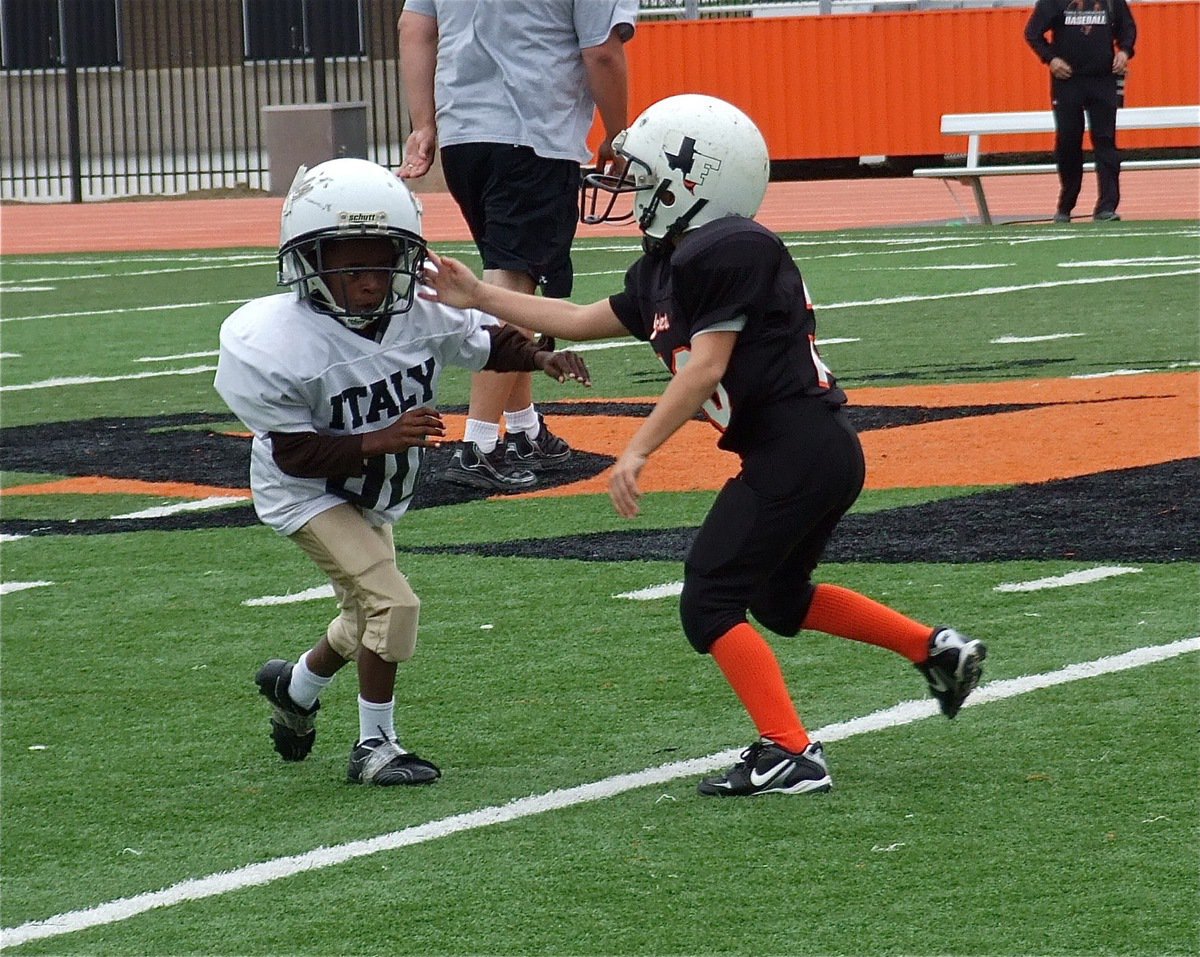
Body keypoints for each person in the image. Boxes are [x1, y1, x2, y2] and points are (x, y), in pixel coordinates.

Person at [420, 95, 989, 797]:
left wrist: (637, 449)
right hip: (807, 451)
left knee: (709, 600)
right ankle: (935, 650)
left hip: (798, 449)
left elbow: (707, 367)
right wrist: (478, 293)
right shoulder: (671, 262)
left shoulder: (729, 247)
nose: (629, 187)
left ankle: (790, 750)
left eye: (643, 174)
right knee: (778, 599)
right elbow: (571, 317)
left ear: (693, 181)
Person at [214, 158, 590, 786]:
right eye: (350, 266)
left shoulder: (416, 308)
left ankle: (296, 688)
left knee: (364, 615)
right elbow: (293, 455)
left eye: (381, 261)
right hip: (306, 492)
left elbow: (485, 341)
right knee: (394, 603)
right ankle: (376, 745)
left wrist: (540, 357)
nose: (368, 281)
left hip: (376, 487)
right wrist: (379, 438)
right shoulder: (276, 341)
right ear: (310, 264)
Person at [397, 0, 636, 491]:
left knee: (513, 284)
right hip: (532, 132)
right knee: (512, 278)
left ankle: (523, 427)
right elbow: (602, 53)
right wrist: (619, 133)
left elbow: (414, 27)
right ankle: (479, 442)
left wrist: (423, 123)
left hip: (465, 136)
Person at [1025, 0, 1137, 223]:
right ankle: (1066, 205)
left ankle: (1106, 207)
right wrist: (1051, 59)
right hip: (1067, 81)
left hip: (1103, 80)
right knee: (1068, 141)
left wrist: (1124, 52)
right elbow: (1032, 32)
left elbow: (1128, 28)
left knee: (1105, 141)